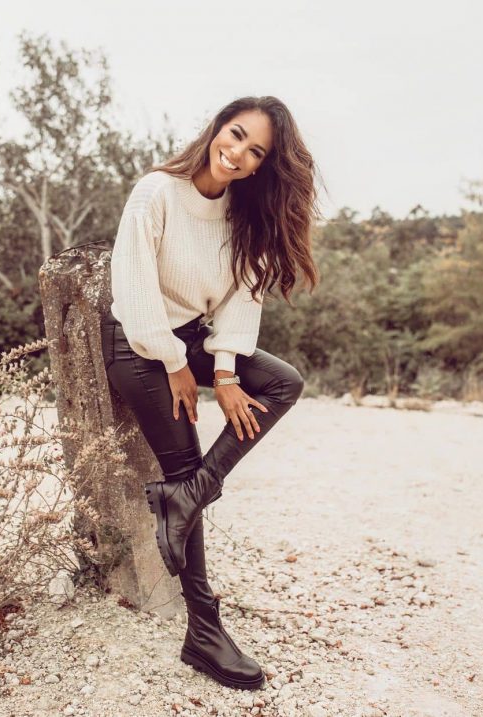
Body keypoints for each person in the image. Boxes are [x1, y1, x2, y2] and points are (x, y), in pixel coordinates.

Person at [100, 95, 321, 690]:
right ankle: (203, 629)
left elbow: (240, 303)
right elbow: (134, 290)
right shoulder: (156, 192)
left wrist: (224, 374)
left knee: (283, 382)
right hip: (138, 343)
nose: (239, 153)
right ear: (218, 127)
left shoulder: (243, 215)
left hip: (193, 339)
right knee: (183, 462)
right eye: (236, 134)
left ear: (262, 166)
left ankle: (188, 497)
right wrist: (174, 363)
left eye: (257, 152)